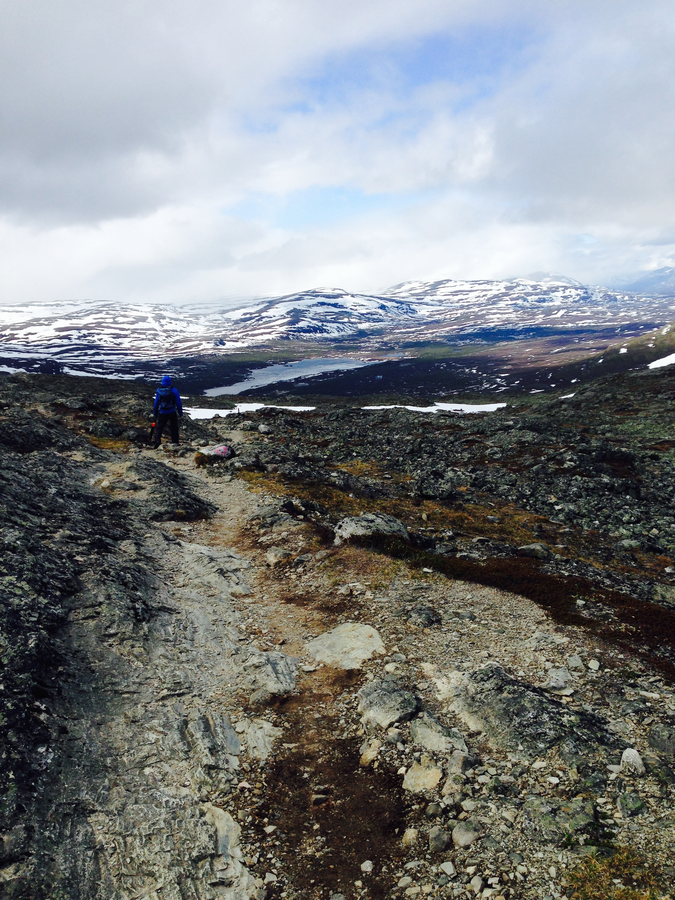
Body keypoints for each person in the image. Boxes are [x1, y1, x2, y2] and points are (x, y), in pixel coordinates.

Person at [152, 375, 183, 448]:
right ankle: (175, 442)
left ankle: (157, 441)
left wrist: (155, 413)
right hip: (172, 412)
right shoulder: (173, 390)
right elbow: (178, 402)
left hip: (162, 412)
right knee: (174, 427)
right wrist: (180, 413)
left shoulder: (159, 390)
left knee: (160, 427)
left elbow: (156, 403)